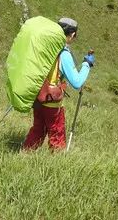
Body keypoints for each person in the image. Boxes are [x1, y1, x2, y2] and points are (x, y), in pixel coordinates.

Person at [21, 17, 95, 151]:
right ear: (72, 34)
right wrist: (87, 65)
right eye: (75, 35)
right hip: (52, 102)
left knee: (38, 129)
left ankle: (25, 153)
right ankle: (56, 160)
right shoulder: (64, 54)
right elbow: (76, 82)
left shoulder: (45, 47)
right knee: (57, 132)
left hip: (38, 97)